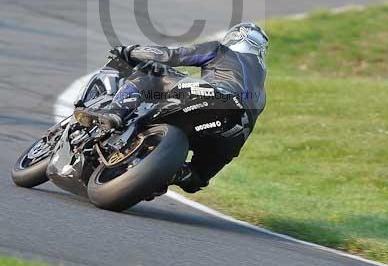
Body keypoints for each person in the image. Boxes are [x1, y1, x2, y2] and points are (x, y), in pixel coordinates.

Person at [75, 23, 268, 193]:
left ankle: (115, 113)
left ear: (234, 38)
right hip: (236, 132)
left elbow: (170, 55)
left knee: (150, 72)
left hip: (215, 97)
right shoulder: (261, 90)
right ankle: (171, 173)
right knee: (197, 178)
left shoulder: (221, 50)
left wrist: (129, 52)